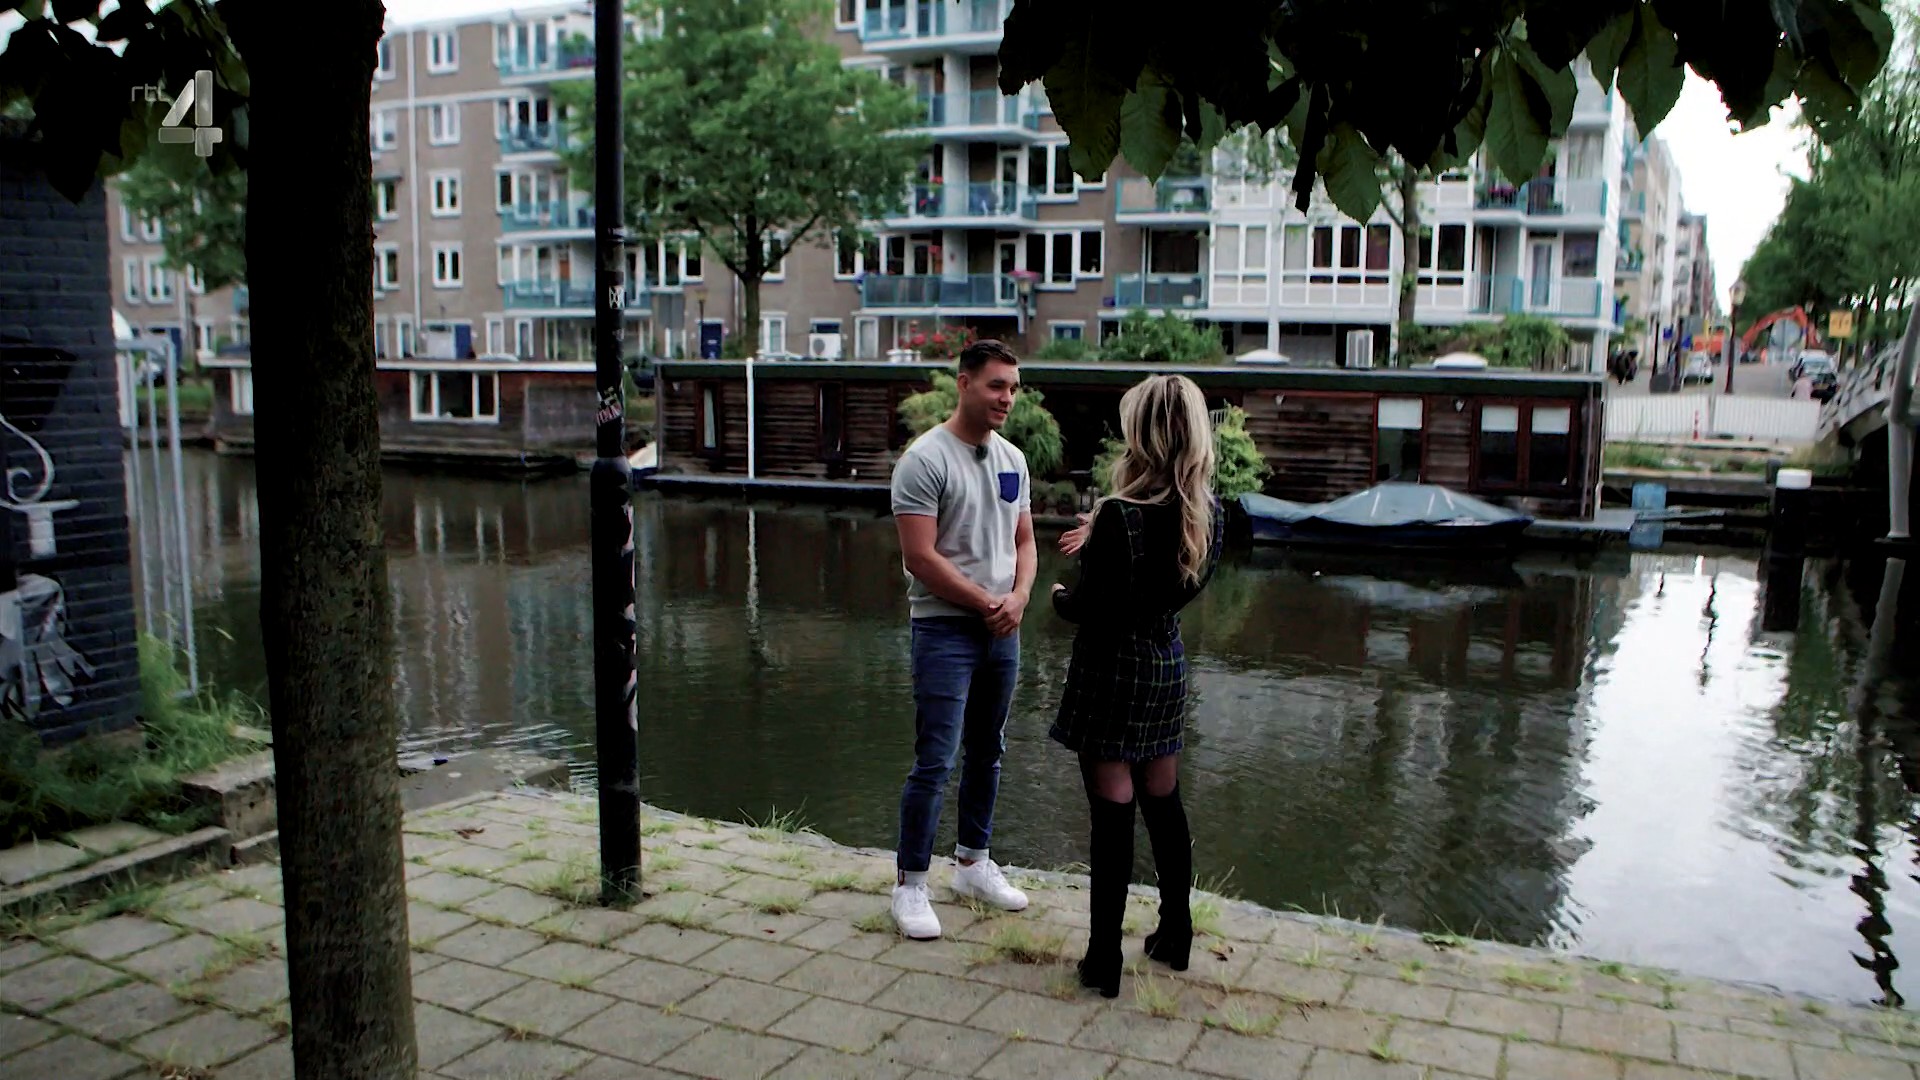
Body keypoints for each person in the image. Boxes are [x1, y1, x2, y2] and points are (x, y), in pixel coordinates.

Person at [1049, 374, 1225, 997]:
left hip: (1111, 672)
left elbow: (1091, 607)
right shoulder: (1209, 513)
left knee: (1112, 815)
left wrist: (1059, 592)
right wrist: (1098, 544)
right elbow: (1161, 590)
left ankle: (1104, 961)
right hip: (1164, 667)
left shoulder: (1119, 515)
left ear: (1144, 434)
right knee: (1163, 799)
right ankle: (1176, 934)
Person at [886, 339, 1037, 940]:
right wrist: (985, 602)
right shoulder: (924, 460)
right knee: (936, 759)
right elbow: (919, 557)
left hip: (1003, 628)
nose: (1007, 398)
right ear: (965, 383)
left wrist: (1020, 597)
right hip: (945, 629)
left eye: (1014, 388)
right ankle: (910, 884)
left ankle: (973, 864)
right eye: (997, 385)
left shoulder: (1013, 459)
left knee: (988, 750)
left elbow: (1025, 541)